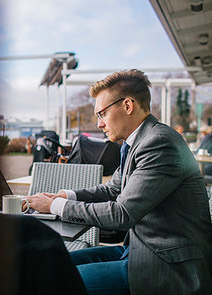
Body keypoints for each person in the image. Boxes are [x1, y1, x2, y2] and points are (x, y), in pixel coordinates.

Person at [26, 70, 212, 294]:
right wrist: (65, 196)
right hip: (137, 249)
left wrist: (55, 207)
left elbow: (122, 214)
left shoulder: (159, 143)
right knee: (54, 263)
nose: (99, 124)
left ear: (127, 106)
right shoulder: (137, 141)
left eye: (102, 114)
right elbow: (113, 189)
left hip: (169, 266)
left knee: (55, 282)